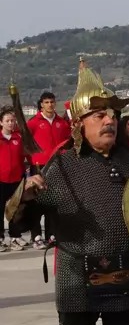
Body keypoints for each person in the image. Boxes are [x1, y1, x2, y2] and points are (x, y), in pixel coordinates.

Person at [14, 58, 129, 325]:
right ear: (79, 124)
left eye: (112, 115)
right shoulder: (62, 166)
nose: (109, 120)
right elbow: (19, 225)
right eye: (99, 115)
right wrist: (26, 195)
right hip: (76, 275)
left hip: (125, 272)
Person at [27, 91, 71, 248]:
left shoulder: (62, 123)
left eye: (52, 102)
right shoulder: (33, 123)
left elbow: (69, 141)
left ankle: (52, 234)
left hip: (58, 167)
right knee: (37, 202)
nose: (50, 105)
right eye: (46, 102)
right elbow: (25, 141)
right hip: (39, 167)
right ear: (41, 104)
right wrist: (30, 159)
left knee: (54, 201)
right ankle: (36, 235)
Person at [0, 107, 28, 252]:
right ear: (1, 122)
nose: (11, 123)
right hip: (1, 179)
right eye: (7, 121)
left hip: (16, 179)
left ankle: (15, 237)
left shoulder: (19, 138)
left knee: (15, 210)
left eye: (12, 120)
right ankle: (0, 239)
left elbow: (24, 157)